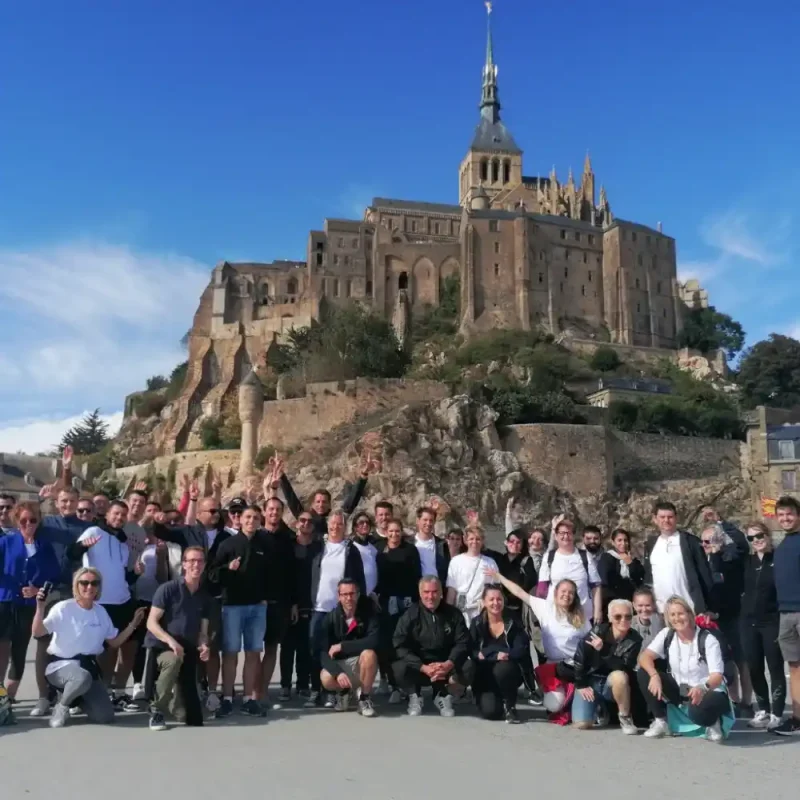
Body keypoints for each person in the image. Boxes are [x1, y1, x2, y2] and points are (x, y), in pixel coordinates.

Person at [31, 567, 145, 728]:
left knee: (105, 716)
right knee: (81, 677)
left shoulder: (101, 612)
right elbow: (38, 632)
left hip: (88, 670)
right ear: (76, 585)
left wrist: (133, 624)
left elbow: (114, 642)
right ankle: (62, 706)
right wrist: (40, 607)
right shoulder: (63, 608)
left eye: (94, 583)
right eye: (84, 583)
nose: (89, 587)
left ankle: (76, 698)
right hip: (59, 667)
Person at [152, 493, 232, 710]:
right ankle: (184, 689)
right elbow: (163, 532)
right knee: (189, 644)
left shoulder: (228, 536)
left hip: (214, 599)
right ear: (200, 514)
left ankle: (212, 691)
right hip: (189, 598)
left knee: (211, 647)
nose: (217, 514)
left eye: (218, 511)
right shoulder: (188, 532)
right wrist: (157, 521)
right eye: (212, 511)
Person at [68, 499, 143, 707]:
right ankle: (105, 692)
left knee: (130, 648)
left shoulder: (123, 543)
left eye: (123, 515)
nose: (119, 518)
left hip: (124, 601)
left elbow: (122, 578)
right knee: (107, 652)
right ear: (107, 514)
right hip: (102, 603)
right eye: (116, 513)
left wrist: (135, 574)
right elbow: (71, 554)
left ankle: (120, 693)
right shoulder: (93, 532)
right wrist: (83, 546)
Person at [637, 595, 732, 742]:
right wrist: (654, 675)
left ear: (689, 614)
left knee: (699, 710)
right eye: (672, 615)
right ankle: (661, 721)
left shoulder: (708, 639)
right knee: (644, 672)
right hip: (681, 691)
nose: (677, 618)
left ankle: (713, 722)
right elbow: (644, 657)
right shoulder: (666, 634)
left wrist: (702, 687)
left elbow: (717, 676)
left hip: (708, 689)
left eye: (680, 613)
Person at [145, 546, 212, 731]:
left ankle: (175, 704)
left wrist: (204, 645)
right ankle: (156, 711)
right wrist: (171, 641)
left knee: (191, 718)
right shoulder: (168, 589)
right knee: (174, 659)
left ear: (205, 565)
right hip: (162, 648)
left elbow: (203, 632)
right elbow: (151, 623)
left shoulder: (204, 597)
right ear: (183, 564)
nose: (195, 565)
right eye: (191, 561)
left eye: (199, 561)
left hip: (188, 650)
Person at [211, 505, 269, 717]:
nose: (251, 520)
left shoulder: (264, 544)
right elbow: (212, 574)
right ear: (240, 520)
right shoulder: (227, 544)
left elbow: (272, 574)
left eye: (255, 517)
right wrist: (228, 569)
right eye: (247, 517)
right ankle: (226, 698)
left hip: (257, 608)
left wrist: (265, 599)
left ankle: (248, 699)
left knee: (253, 652)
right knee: (230, 652)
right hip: (233, 606)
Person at [0, 502, 61, 702]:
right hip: (4, 603)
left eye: (33, 520)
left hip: (28, 608)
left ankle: (7, 701)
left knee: (19, 654)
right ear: (17, 521)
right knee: (1, 651)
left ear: (39, 521)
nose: (28, 524)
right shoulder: (6, 543)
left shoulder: (45, 547)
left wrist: (38, 590)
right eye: (24, 520)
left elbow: (55, 576)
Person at [309, 511, 366, 707]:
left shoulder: (351, 550)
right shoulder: (318, 547)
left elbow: (360, 580)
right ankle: (317, 689)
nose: (335, 527)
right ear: (327, 526)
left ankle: (336, 691)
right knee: (316, 648)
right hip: (319, 608)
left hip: (341, 610)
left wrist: (360, 605)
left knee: (338, 650)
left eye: (339, 524)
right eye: (332, 524)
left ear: (345, 526)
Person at [392, 576, 470, 718]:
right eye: (426, 592)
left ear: (441, 592)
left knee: (469, 667)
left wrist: (449, 663)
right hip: (420, 667)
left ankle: (443, 694)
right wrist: (423, 667)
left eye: (435, 592)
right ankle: (415, 696)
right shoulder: (410, 615)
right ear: (420, 593)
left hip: (445, 666)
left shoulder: (454, 614)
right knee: (398, 668)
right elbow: (399, 645)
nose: (430, 596)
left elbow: (463, 642)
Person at [571, 599, 642, 734]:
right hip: (591, 682)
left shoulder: (635, 639)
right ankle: (601, 708)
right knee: (581, 724)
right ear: (609, 618)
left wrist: (603, 650)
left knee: (619, 676)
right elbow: (579, 658)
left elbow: (624, 667)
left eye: (628, 616)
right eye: (618, 616)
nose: (623, 620)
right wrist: (581, 685)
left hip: (614, 683)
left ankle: (625, 717)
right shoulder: (597, 631)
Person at [701, 521, 751, 714]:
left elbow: (741, 545)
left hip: (732, 615)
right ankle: (733, 699)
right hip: (710, 617)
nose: (708, 545)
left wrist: (723, 525)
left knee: (741, 660)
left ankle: (746, 702)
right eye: (704, 542)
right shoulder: (702, 562)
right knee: (724, 661)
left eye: (712, 541)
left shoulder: (731, 558)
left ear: (721, 541)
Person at [741, 522, 785, 730]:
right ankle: (763, 710)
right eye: (751, 538)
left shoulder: (777, 558)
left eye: (759, 536)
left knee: (775, 667)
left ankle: (777, 713)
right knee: (754, 667)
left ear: (767, 535)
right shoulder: (747, 561)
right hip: (748, 623)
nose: (756, 541)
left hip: (771, 621)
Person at [375, 519, 422, 703]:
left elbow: (417, 576)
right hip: (387, 605)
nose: (394, 534)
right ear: (386, 532)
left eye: (397, 531)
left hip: (408, 603)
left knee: (408, 643)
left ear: (401, 532)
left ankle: (410, 687)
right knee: (388, 645)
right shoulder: (380, 552)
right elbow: (379, 579)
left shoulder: (410, 550)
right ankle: (394, 685)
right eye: (391, 531)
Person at [318, 578, 380, 717]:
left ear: (358, 594)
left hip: (362, 664)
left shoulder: (369, 614)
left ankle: (364, 698)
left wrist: (343, 646)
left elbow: (374, 640)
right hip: (342, 666)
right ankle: (344, 692)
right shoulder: (330, 618)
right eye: (344, 594)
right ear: (338, 596)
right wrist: (337, 672)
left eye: (352, 594)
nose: (348, 598)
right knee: (326, 677)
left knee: (369, 654)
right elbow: (323, 653)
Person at [276, 453, 370, 541]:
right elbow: (291, 499)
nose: (321, 505)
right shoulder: (306, 519)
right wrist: (282, 477)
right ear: (312, 504)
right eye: (318, 502)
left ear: (329, 504)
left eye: (324, 502)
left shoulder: (334, 519)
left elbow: (351, 502)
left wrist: (363, 477)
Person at [468, 584, 527, 723]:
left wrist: (488, 654)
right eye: (491, 599)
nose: (496, 603)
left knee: (503, 667)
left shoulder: (514, 621)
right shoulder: (476, 623)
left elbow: (520, 649)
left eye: (499, 599)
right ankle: (484, 697)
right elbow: (472, 650)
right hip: (485, 676)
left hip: (509, 672)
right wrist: (494, 653)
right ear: (484, 602)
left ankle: (510, 706)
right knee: (491, 713)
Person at [280, 512, 322, 705]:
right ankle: (285, 685)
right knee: (288, 647)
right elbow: (285, 577)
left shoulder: (319, 548)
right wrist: (291, 603)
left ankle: (303, 685)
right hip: (290, 603)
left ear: (314, 526)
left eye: (309, 522)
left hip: (312, 603)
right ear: (297, 523)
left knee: (306, 647)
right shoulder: (288, 546)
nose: (305, 524)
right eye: (302, 520)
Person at [259, 495, 297, 707]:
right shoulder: (254, 536)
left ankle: (263, 692)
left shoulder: (287, 539)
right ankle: (251, 692)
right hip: (256, 603)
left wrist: (292, 603)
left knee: (272, 648)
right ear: (264, 511)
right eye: (270, 509)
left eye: (277, 510)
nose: (274, 513)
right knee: (254, 651)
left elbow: (291, 573)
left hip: (280, 603)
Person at [642, 500, 712, 615]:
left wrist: (707, 608)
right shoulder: (651, 544)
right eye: (662, 517)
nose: (666, 520)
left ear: (676, 518)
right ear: (655, 519)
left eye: (670, 517)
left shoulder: (691, 542)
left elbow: (705, 575)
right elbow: (649, 577)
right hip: (661, 610)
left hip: (688, 608)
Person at [537, 518, 602, 623]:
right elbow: (542, 589)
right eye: (562, 533)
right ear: (556, 535)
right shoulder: (549, 557)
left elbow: (596, 586)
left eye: (569, 532)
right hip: (556, 616)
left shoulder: (585, 556)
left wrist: (598, 611)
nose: (566, 536)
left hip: (583, 616)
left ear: (574, 535)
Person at [772, 495, 800, 736]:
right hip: (785, 614)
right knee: (795, 667)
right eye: (781, 515)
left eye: (789, 514)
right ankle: (798, 718)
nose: (785, 518)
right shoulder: (781, 547)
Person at [446, 526, 498, 624]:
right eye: (471, 539)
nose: (474, 542)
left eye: (478, 539)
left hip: (482, 612)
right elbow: (451, 590)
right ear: (465, 540)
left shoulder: (490, 563)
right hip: (460, 611)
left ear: (482, 541)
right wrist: (448, 614)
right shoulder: (456, 561)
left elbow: (495, 589)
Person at [598, 528, 644, 611]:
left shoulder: (633, 560)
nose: (623, 543)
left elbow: (640, 578)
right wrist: (627, 584)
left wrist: (630, 563)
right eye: (619, 540)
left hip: (631, 601)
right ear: (613, 542)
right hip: (613, 601)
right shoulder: (607, 557)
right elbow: (607, 579)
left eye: (625, 540)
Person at [413, 506, 450, 585]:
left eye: (431, 520)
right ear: (418, 521)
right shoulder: (410, 543)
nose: (428, 523)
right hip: (416, 588)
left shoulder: (441, 545)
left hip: (437, 588)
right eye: (425, 520)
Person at [350, 511, 379, 598]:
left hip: (372, 596)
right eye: (361, 523)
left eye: (367, 522)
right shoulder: (350, 547)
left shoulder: (373, 549)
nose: (365, 525)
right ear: (355, 527)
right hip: (356, 596)